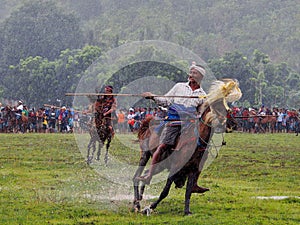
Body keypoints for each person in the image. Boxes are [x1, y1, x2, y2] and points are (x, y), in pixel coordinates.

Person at [139, 62, 209, 193]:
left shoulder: (203, 95)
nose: (191, 75)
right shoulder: (179, 87)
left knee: (202, 150)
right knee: (163, 146)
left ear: (200, 76)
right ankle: (149, 175)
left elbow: (200, 113)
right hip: (174, 122)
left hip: (189, 125)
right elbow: (166, 100)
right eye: (191, 73)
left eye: (194, 73)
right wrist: (152, 96)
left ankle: (193, 182)